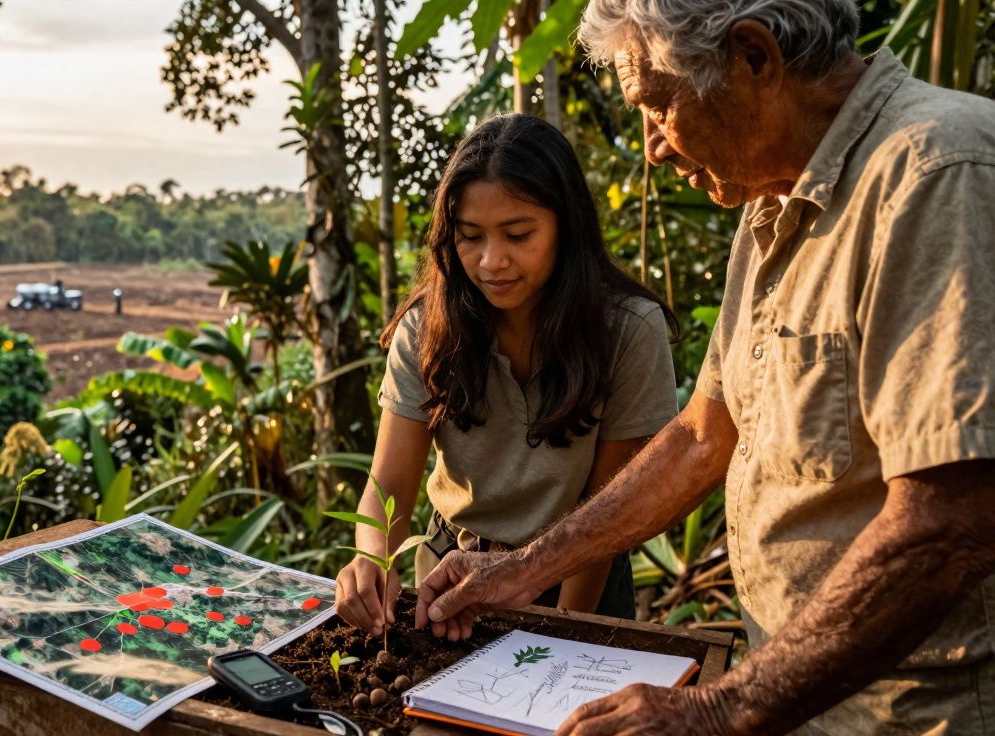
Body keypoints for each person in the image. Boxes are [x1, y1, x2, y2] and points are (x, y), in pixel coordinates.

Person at [414, 1, 995, 734]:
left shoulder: (938, 172)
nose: (653, 146)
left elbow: (952, 517)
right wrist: (525, 568)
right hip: (804, 692)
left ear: (753, 58)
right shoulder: (770, 209)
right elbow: (702, 435)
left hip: (915, 712)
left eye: (659, 105)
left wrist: (723, 707)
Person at [334, 114, 680, 638]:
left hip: (578, 572)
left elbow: (606, 505)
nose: (492, 262)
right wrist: (372, 559)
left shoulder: (628, 331)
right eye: (470, 237)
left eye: (518, 234)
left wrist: (564, 627)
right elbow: (391, 482)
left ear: (567, 225)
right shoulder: (428, 327)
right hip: (451, 579)